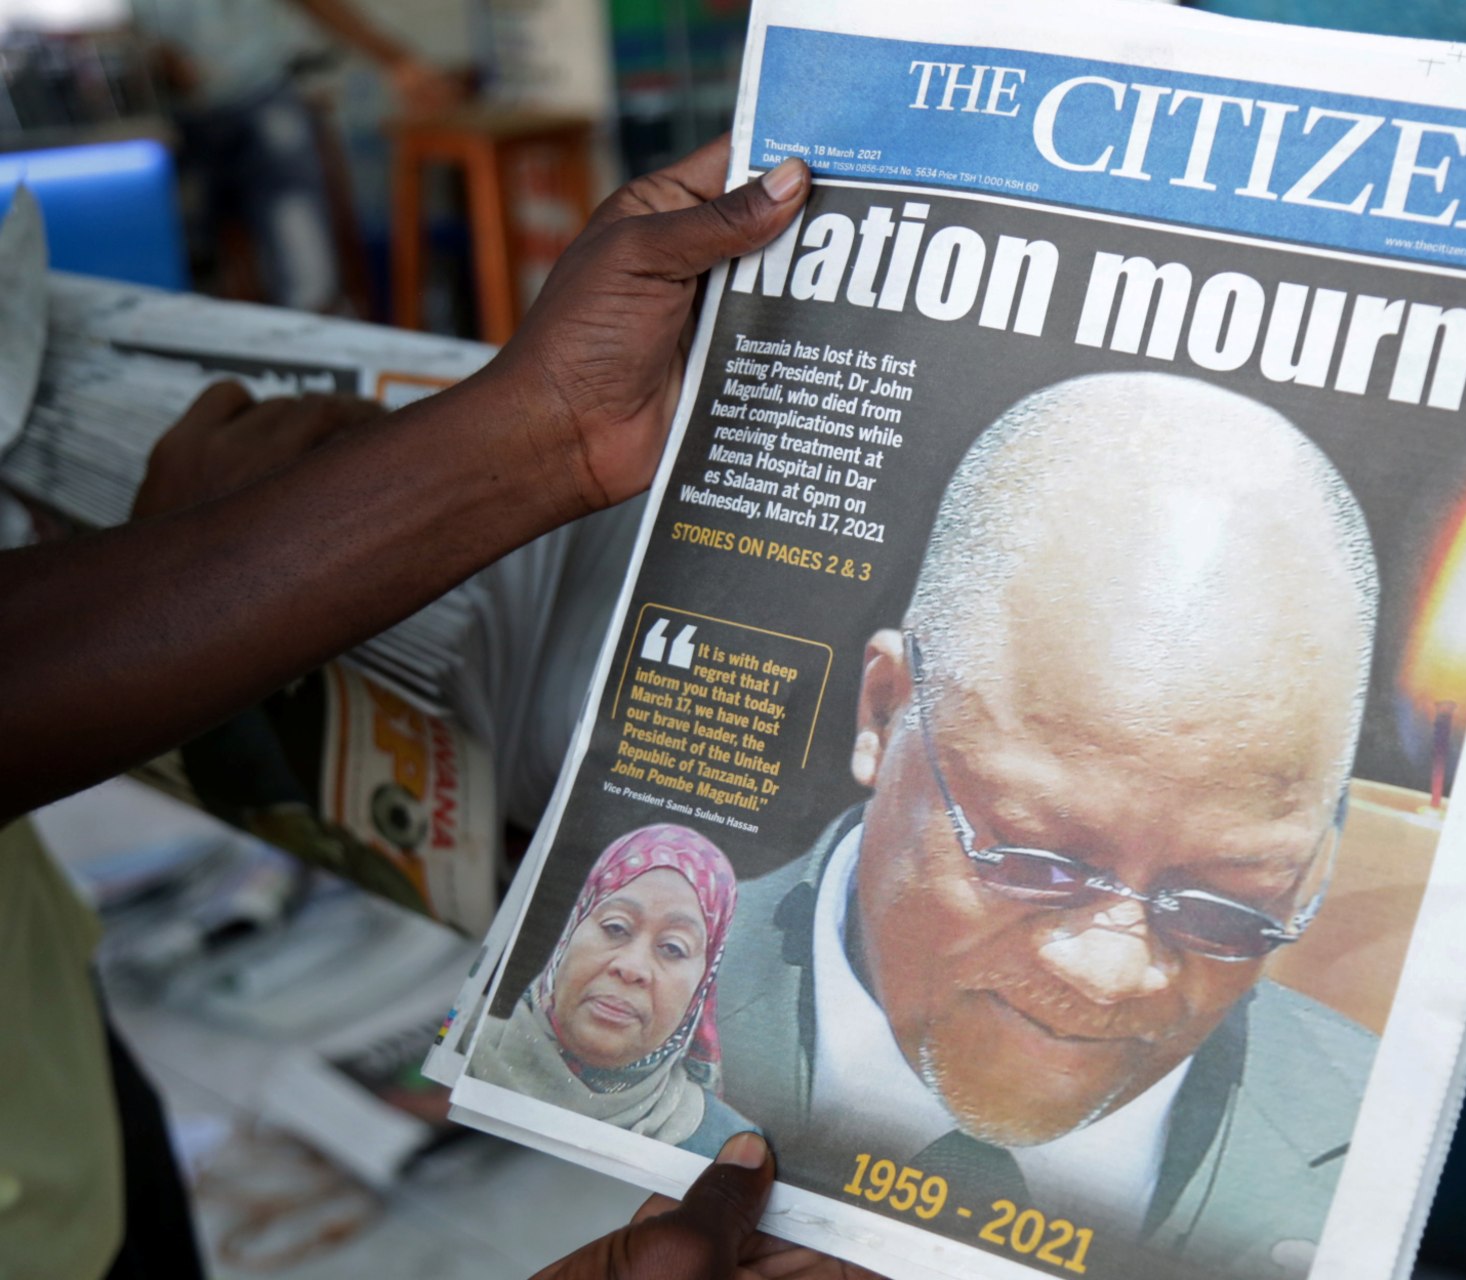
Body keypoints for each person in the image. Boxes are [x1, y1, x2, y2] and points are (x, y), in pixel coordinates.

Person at [0, 142, 874, 1280]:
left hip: (54, 1092)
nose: (631, 972)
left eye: (666, 943)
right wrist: (540, 429)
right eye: (618, 925)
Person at [714, 373, 1381, 1279]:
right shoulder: (614, 1002)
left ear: (1319, 860)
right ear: (882, 714)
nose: (1108, 974)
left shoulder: (1381, 1145)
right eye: (1035, 859)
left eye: (1224, 907)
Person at [132, 0, 465, 310]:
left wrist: (396, 61)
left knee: (309, 274)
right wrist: (148, 54)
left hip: (259, 93)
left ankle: (318, 322)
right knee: (183, 276)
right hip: (163, 118)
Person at [470, 824, 756, 1155]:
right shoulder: (463, 1045)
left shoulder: (724, 1145)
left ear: (700, 990)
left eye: (673, 948)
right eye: (615, 927)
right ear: (571, 931)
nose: (631, 967)